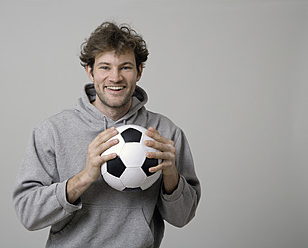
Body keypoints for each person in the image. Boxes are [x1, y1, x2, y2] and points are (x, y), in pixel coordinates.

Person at [13, 21, 201, 248]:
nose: (115, 77)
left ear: (139, 71)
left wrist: (171, 176)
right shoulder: (52, 131)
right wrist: (84, 177)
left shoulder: (165, 133)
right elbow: (28, 214)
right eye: (105, 67)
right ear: (89, 72)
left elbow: (182, 217)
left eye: (125, 67)